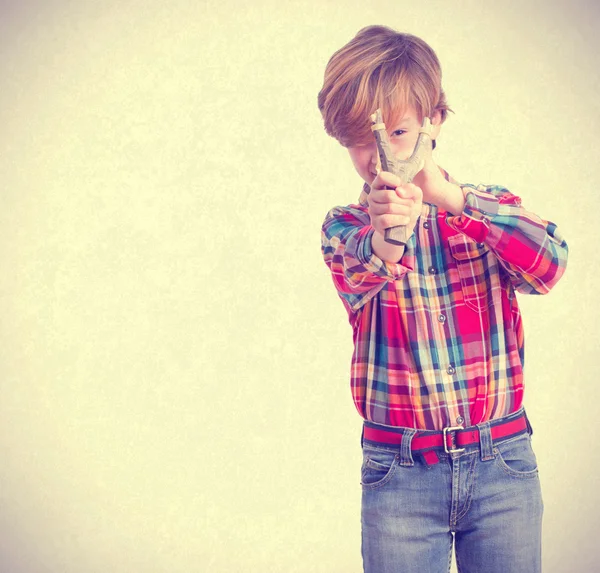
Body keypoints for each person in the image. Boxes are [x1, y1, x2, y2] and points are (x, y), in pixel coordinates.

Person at [317, 25, 568, 573]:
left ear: (435, 122)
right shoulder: (344, 228)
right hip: (399, 473)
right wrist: (389, 235)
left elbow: (549, 265)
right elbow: (363, 264)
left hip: (502, 463)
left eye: (396, 131)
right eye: (357, 139)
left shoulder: (485, 210)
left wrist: (450, 199)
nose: (374, 154)